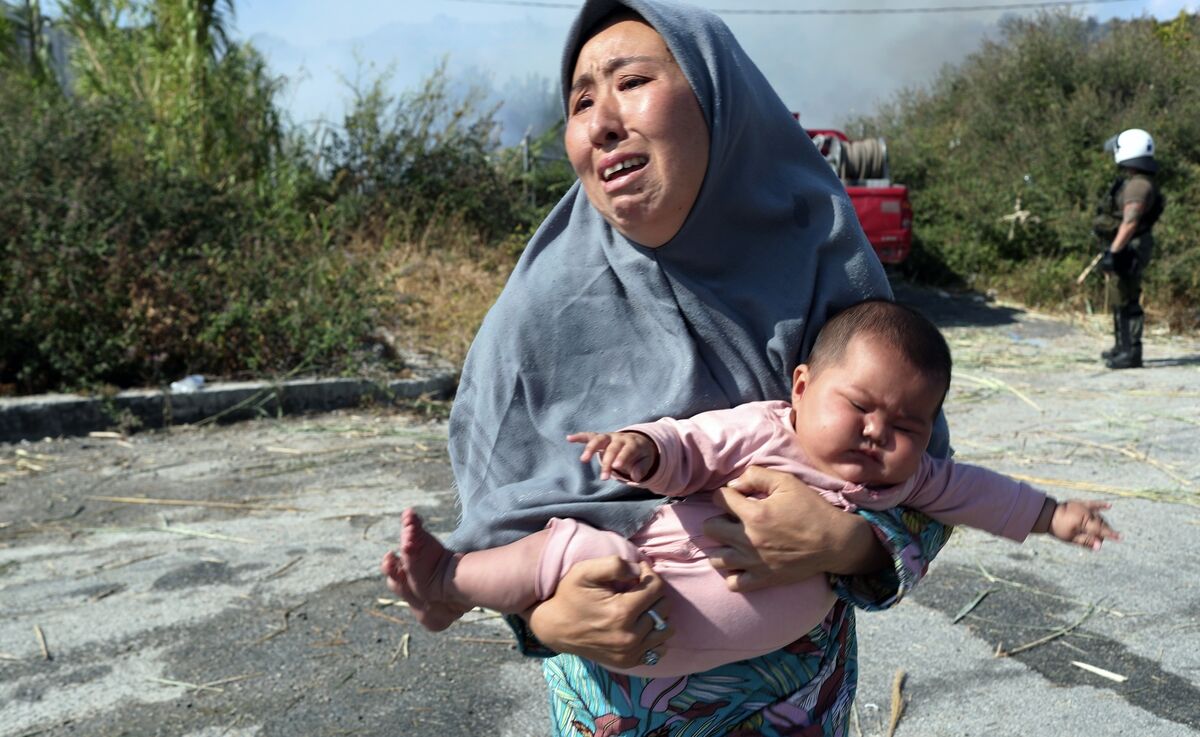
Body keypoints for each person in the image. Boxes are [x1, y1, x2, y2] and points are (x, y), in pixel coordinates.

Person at [384, 0, 956, 733]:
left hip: (794, 709)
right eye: (581, 100)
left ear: (721, 99)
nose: (601, 120)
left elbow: (927, 484)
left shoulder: (821, 265)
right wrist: (549, 619)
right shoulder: (540, 309)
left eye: (631, 81)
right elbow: (503, 527)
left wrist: (844, 541)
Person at [384, 300, 1118, 677]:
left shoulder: (912, 478)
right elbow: (692, 444)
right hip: (637, 588)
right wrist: (641, 448)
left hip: (754, 691)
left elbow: (979, 493)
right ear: (800, 387)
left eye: (908, 424)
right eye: (858, 405)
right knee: (562, 550)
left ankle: (451, 586)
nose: (876, 432)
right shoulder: (768, 429)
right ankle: (450, 580)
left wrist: (1052, 514)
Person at [1094, 128, 1165, 370]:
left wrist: (1114, 251)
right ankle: (1121, 347)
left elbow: (1130, 221)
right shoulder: (1137, 182)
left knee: (1127, 298)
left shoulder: (1138, 186)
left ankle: (1131, 352)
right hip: (1127, 245)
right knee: (1118, 295)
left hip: (1130, 247)